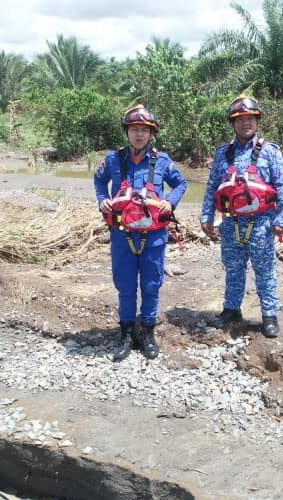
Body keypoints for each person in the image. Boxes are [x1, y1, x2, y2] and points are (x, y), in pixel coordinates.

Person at [95, 105, 187, 361]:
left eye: (144, 130)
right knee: (125, 285)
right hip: (122, 234)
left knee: (151, 284)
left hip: (154, 235)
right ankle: (125, 333)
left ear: (151, 134)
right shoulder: (113, 160)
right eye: (134, 129)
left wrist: (170, 202)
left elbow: (181, 183)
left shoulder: (163, 161)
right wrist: (102, 200)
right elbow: (99, 180)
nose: (139, 134)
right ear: (127, 131)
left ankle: (147, 332)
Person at [200, 95, 283, 338]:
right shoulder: (223, 153)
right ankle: (232, 310)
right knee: (233, 268)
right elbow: (212, 186)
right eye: (240, 119)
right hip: (231, 222)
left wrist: (281, 220)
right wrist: (207, 215)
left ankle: (269, 315)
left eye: (250, 118)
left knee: (265, 270)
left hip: (262, 222)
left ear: (257, 121)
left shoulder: (270, 152)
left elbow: (282, 186)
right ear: (233, 123)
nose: (245, 123)